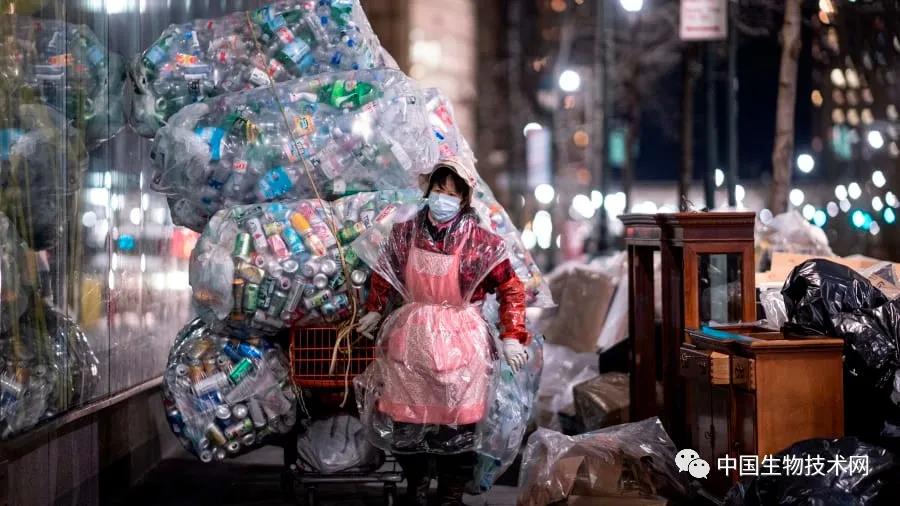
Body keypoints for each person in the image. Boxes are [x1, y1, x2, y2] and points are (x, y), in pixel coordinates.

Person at [356, 157, 529, 506]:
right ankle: (416, 483)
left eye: (452, 193)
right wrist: (375, 309)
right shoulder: (404, 234)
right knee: (406, 421)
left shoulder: (481, 242)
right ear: (428, 190)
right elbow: (383, 272)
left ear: (464, 198)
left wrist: (513, 335)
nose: (443, 198)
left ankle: (450, 493)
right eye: (438, 190)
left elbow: (511, 287)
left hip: (462, 342)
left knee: (458, 425)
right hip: (413, 337)